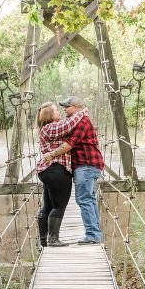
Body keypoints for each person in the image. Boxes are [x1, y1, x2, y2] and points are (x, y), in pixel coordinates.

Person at [42, 96, 104, 244]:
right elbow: (62, 129)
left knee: (84, 199)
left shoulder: (82, 121)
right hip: (85, 166)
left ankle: (92, 236)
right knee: (88, 199)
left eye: (67, 106)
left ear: (76, 107)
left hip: (86, 165)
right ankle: (95, 234)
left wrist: (51, 154)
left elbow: (70, 144)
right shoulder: (77, 120)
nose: (64, 109)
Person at [35, 101, 86, 247]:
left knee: (48, 206)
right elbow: (67, 125)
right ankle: (53, 239)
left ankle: (44, 239)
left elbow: (66, 124)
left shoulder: (47, 129)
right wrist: (81, 112)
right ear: (50, 115)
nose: (59, 112)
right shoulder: (49, 128)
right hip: (57, 169)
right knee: (59, 206)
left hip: (48, 171)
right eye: (56, 110)